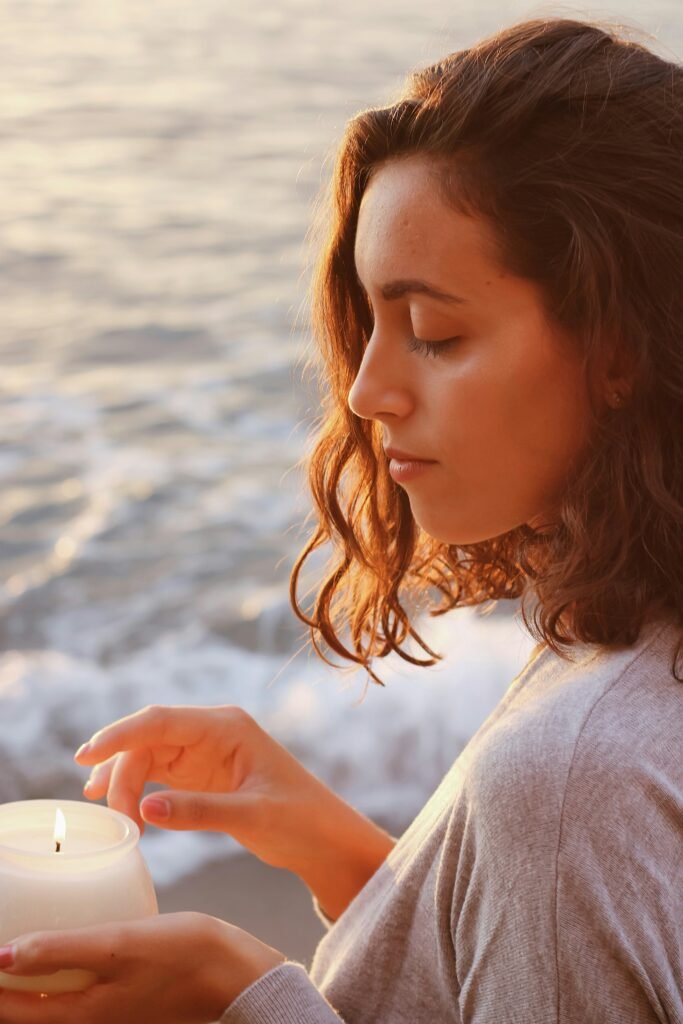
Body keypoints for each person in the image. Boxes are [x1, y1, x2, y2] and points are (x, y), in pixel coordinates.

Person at [0, 14, 681, 1024]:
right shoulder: (629, 655)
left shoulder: (570, 781)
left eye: (436, 334)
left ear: (619, 347)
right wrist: (351, 856)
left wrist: (237, 998)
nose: (364, 391)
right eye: (370, 326)